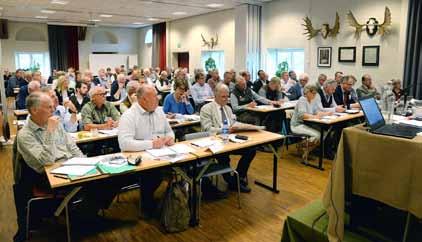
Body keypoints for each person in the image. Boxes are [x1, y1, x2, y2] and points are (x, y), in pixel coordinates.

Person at [14, 92, 127, 242]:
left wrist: (86, 163)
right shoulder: (25, 135)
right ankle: (82, 220)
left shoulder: (55, 123)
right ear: (34, 110)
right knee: (96, 184)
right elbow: (46, 161)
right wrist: (49, 132)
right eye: (48, 107)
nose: (53, 109)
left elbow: (72, 147)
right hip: (47, 176)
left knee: (113, 177)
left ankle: (86, 216)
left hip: (71, 166)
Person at [118, 84, 174, 218]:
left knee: (184, 167)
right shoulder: (129, 116)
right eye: (154, 97)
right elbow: (124, 144)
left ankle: (175, 200)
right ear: (143, 100)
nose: (158, 99)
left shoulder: (159, 111)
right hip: (141, 158)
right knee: (152, 174)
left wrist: (170, 138)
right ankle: (148, 207)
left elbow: (169, 131)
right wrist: (151, 144)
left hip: (162, 153)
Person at [200, 83, 256, 192]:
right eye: (223, 97)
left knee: (251, 149)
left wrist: (243, 126)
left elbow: (233, 123)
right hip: (215, 142)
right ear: (215, 96)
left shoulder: (228, 109)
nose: (226, 99)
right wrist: (225, 130)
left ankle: (237, 177)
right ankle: (232, 182)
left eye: (227, 96)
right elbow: (207, 129)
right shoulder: (206, 109)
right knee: (223, 156)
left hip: (231, 139)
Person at [290, 84, 332, 158]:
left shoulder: (313, 100)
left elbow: (316, 111)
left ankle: (307, 150)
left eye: (315, 93)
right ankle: (301, 146)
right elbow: (302, 115)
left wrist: (326, 114)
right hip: (297, 125)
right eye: (313, 93)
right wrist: (315, 117)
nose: (315, 95)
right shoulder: (302, 99)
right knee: (317, 135)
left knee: (324, 133)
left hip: (308, 124)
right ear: (307, 92)